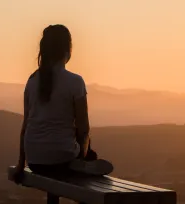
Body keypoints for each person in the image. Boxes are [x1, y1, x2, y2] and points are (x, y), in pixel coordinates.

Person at [12, 24, 113, 183]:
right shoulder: (75, 82)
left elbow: (25, 127)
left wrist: (20, 165)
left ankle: (81, 161)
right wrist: (83, 154)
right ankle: (82, 163)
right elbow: (84, 129)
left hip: (35, 161)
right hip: (62, 159)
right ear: (68, 50)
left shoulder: (31, 81)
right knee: (87, 146)